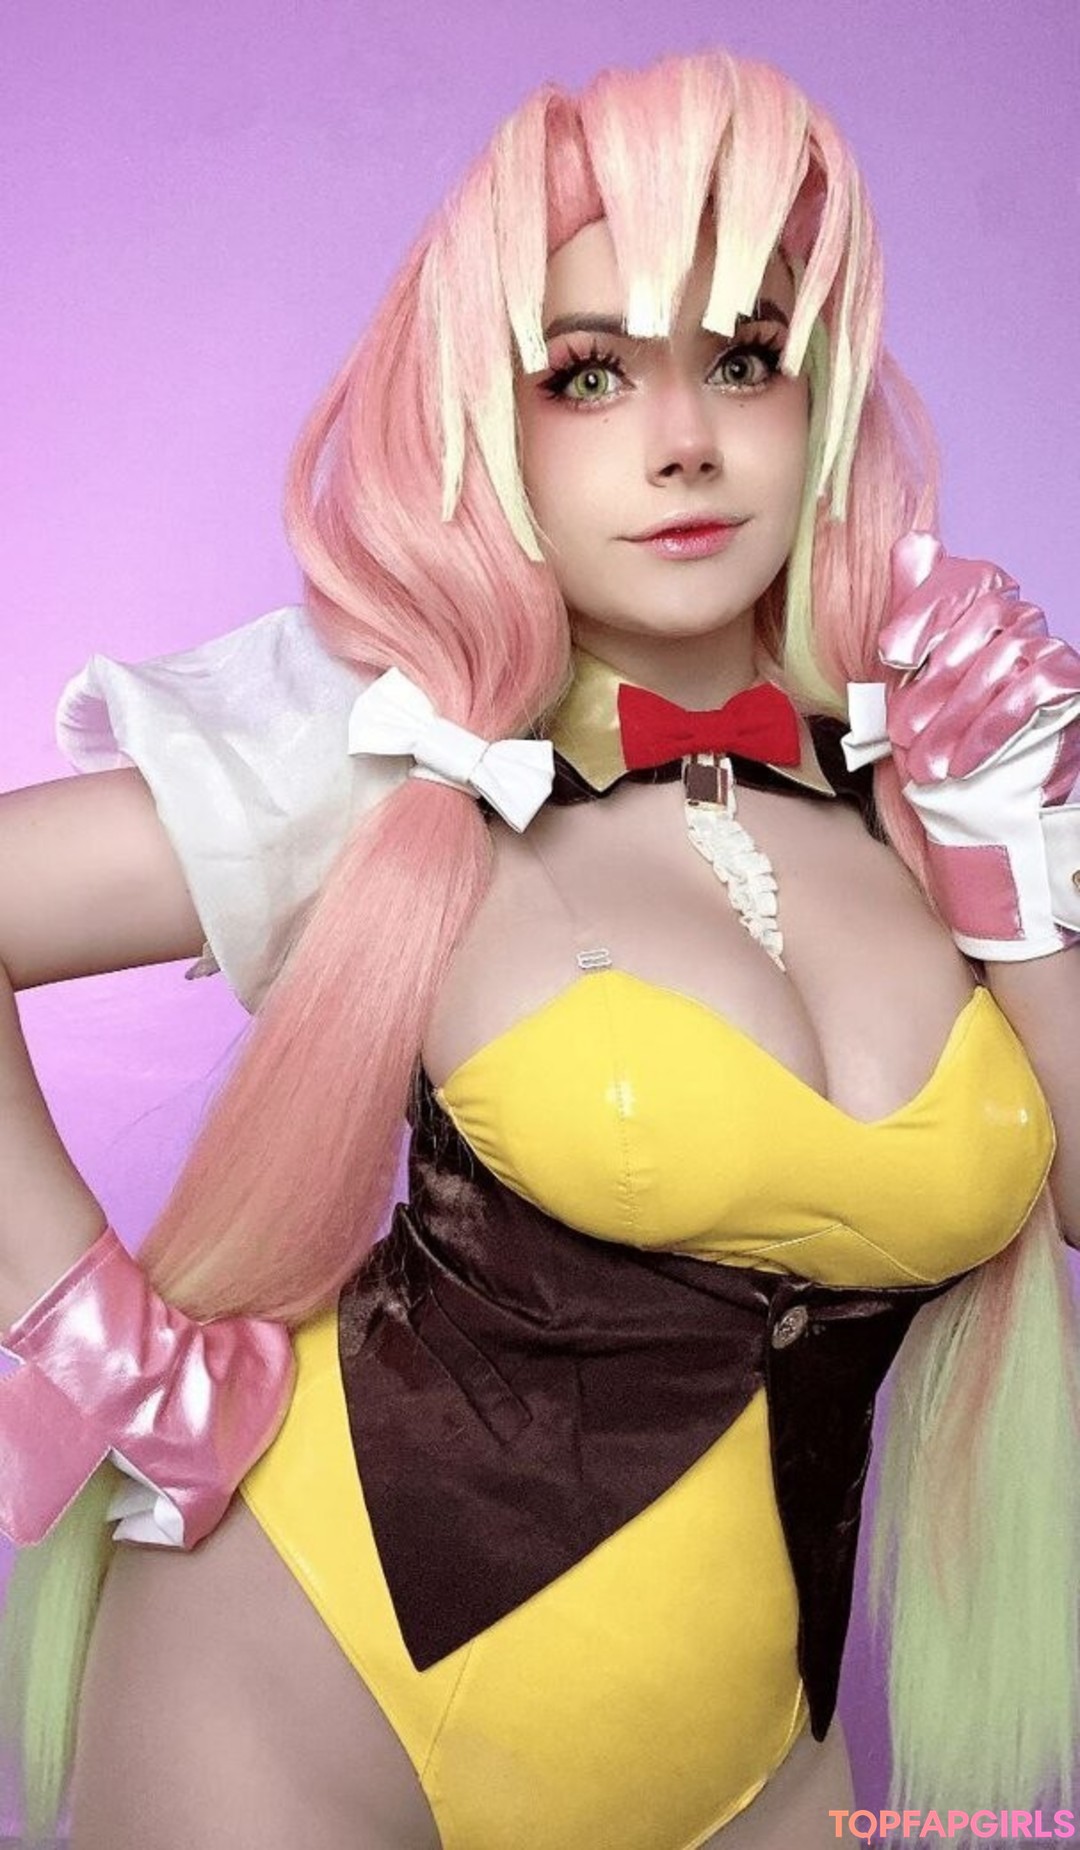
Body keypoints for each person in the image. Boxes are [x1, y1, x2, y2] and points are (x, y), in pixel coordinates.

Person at [1, 45, 1079, 1850]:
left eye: (744, 358)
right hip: (297, 1696)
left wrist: (1019, 833)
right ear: (486, 422)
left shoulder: (928, 788)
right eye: (589, 373)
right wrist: (107, 1351)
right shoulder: (402, 763)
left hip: (757, 1757)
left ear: (815, 400)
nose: (685, 438)